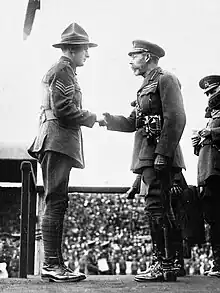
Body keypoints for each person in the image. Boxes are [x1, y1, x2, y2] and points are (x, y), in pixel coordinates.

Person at [98, 40, 186, 281]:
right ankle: (167, 264)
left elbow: (176, 118)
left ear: (147, 57)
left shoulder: (165, 79)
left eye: (134, 56)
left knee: (157, 207)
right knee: (158, 207)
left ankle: (162, 264)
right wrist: (110, 120)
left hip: (157, 155)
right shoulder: (147, 85)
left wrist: (162, 153)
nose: (130, 61)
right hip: (149, 156)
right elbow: (132, 122)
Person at [28, 22, 98, 282]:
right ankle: (51, 265)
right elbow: (64, 110)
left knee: (57, 200)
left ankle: (54, 263)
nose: (87, 55)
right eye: (85, 50)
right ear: (73, 49)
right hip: (57, 141)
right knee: (55, 201)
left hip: (56, 141)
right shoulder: (63, 71)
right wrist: (92, 117)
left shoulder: (63, 71)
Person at [191, 75, 220, 278]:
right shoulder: (211, 116)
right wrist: (198, 142)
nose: (210, 95)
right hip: (209, 174)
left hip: (217, 173)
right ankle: (218, 262)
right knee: (214, 219)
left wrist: (211, 133)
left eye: (213, 90)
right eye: (208, 93)